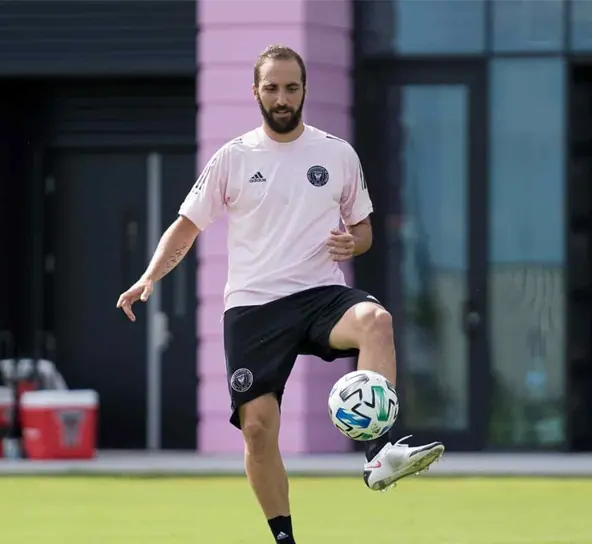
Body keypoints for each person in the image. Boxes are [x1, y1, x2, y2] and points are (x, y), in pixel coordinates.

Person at [116, 44, 445, 544]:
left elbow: (364, 231)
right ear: (256, 92)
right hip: (252, 306)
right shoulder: (233, 157)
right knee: (258, 429)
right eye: (271, 87)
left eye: (291, 87)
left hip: (319, 294)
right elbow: (186, 227)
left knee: (376, 322)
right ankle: (284, 538)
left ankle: (379, 452)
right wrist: (149, 277)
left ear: (304, 90)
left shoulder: (337, 153)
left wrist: (349, 241)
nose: (282, 97)